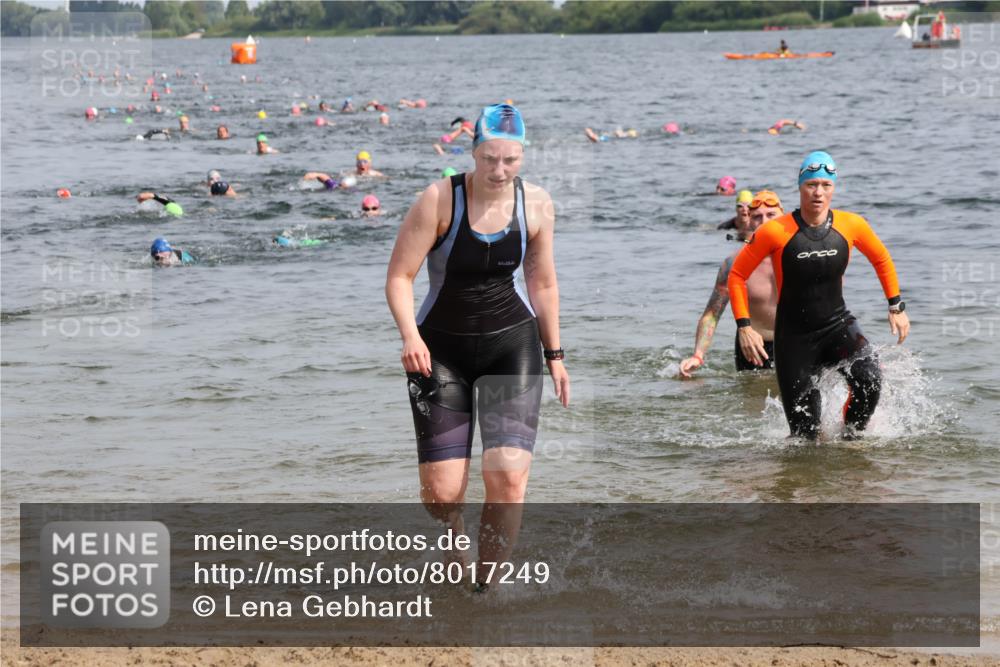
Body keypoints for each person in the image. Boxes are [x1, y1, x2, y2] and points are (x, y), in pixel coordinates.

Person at [385, 103, 569, 590]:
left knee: (508, 479)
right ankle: (454, 534)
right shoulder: (439, 200)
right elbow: (399, 277)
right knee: (442, 494)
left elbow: (542, 282)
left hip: (512, 345)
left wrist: (555, 355)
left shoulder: (537, 204)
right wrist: (409, 336)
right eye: (490, 158)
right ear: (473, 152)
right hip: (439, 351)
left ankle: (484, 590)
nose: (499, 170)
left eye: (510, 160)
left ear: (522, 156)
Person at [727, 151, 910, 439]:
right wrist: (744, 326)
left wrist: (896, 306)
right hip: (794, 339)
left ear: (833, 188)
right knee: (805, 437)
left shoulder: (851, 224)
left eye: (826, 185)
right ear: (800, 186)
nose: (818, 192)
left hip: (837, 325)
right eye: (812, 184)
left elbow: (882, 259)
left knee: (870, 378)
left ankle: (851, 437)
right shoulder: (774, 231)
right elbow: (737, 275)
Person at [679, 191, 784, 378]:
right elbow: (712, 314)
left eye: (771, 215)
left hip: (796, 343)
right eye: (757, 217)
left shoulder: (802, 256)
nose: (764, 222)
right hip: (752, 346)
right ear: (749, 221)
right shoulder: (734, 263)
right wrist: (698, 355)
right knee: (753, 396)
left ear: (783, 216)